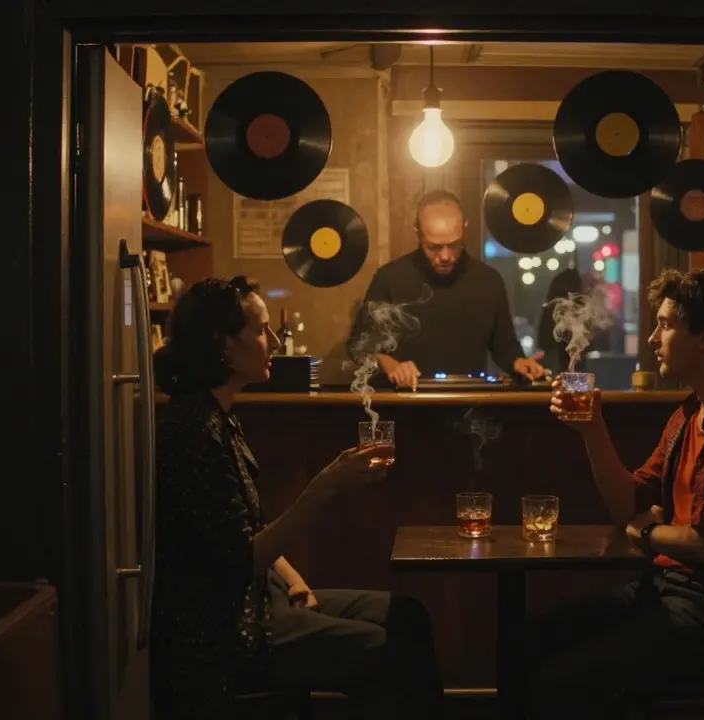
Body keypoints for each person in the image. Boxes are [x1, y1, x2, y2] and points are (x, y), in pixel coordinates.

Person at [150, 276, 445, 719]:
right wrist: (326, 485)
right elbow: (236, 559)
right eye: (260, 330)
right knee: (391, 654)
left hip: (258, 596)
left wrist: (290, 577)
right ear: (222, 345)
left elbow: (244, 529)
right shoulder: (192, 429)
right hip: (225, 630)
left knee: (407, 616)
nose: (272, 340)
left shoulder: (218, 415)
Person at [530, 268, 704, 717]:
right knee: (533, 639)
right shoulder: (688, 414)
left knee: (563, 679)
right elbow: (628, 504)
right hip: (663, 585)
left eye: (666, 324)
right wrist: (592, 432)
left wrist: (648, 532)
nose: (652, 339)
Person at [348, 190, 545, 388]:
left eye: (454, 245)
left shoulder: (488, 280)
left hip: (469, 404)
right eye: (434, 247)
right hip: (404, 403)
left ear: (464, 229)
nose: (445, 256)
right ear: (417, 232)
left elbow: (504, 346)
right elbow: (359, 346)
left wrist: (519, 363)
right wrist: (391, 366)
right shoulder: (391, 278)